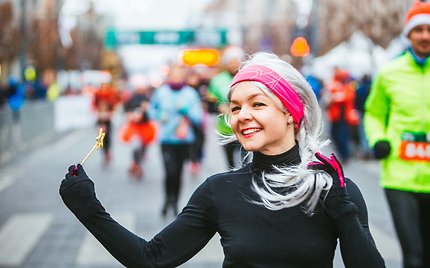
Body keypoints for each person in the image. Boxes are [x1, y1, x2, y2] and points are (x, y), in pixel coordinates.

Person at [60, 52, 385, 267]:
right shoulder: (220, 190)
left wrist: (343, 210)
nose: (242, 115)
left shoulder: (333, 190)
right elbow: (151, 259)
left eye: (257, 104)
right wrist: (89, 208)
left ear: (291, 113)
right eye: (235, 106)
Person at [364, 1, 430, 268]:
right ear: (409, 34)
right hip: (399, 175)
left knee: (427, 259)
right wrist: (378, 139)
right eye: (418, 29)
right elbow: (373, 113)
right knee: (413, 256)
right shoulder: (389, 72)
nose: (425, 35)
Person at [150, 64, 204, 216]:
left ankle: (175, 202)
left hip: (184, 139)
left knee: (179, 172)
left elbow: (198, 117)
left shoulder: (190, 93)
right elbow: (151, 110)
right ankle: (167, 197)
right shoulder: (161, 92)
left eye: (179, 75)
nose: (176, 78)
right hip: (166, 138)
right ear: (169, 76)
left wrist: (187, 110)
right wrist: (159, 116)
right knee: (169, 171)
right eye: (174, 75)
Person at [208, 46, 248, 169]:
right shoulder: (217, 80)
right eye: (231, 61)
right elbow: (209, 104)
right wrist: (219, 106)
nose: (234, 64)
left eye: (236, 60)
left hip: (245, 125)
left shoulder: (248, 77)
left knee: (245, 162)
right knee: (230, 164)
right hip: (225, 127)